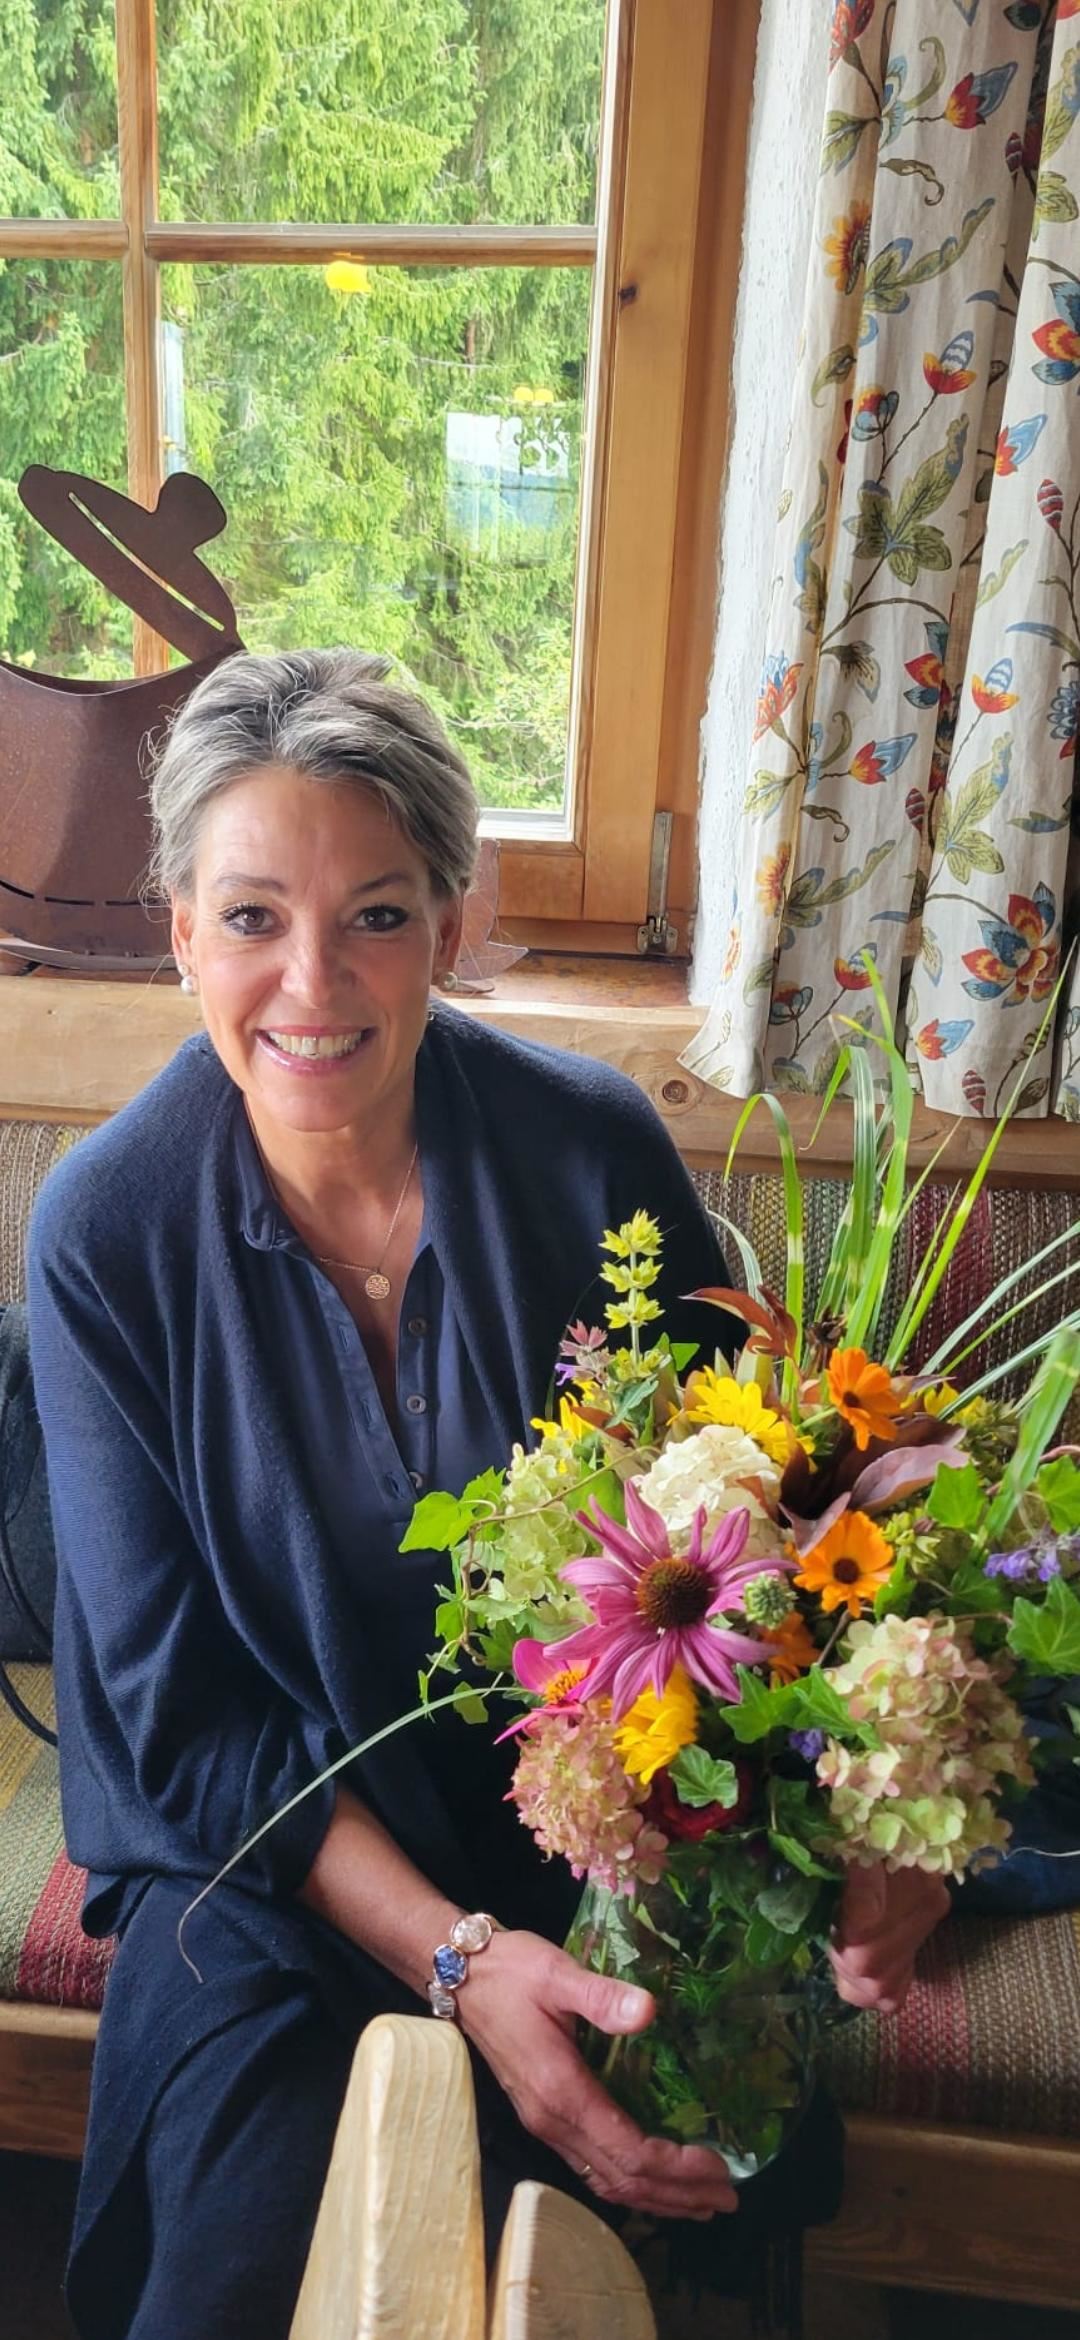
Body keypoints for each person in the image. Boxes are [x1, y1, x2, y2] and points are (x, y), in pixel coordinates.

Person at [27, 648, 946, 2340]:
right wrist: (456, 1962)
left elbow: (764, 1545)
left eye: (376, 916)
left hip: (587, 1833)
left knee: (574, 2255)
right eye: (251, 918)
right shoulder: (105, 1232)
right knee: (240, 2271)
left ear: (455, 925)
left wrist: (885, 1825)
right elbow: (177, 1718)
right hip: (278, 1857)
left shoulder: (589, 1150)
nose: (311, 982)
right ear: (181, 933)